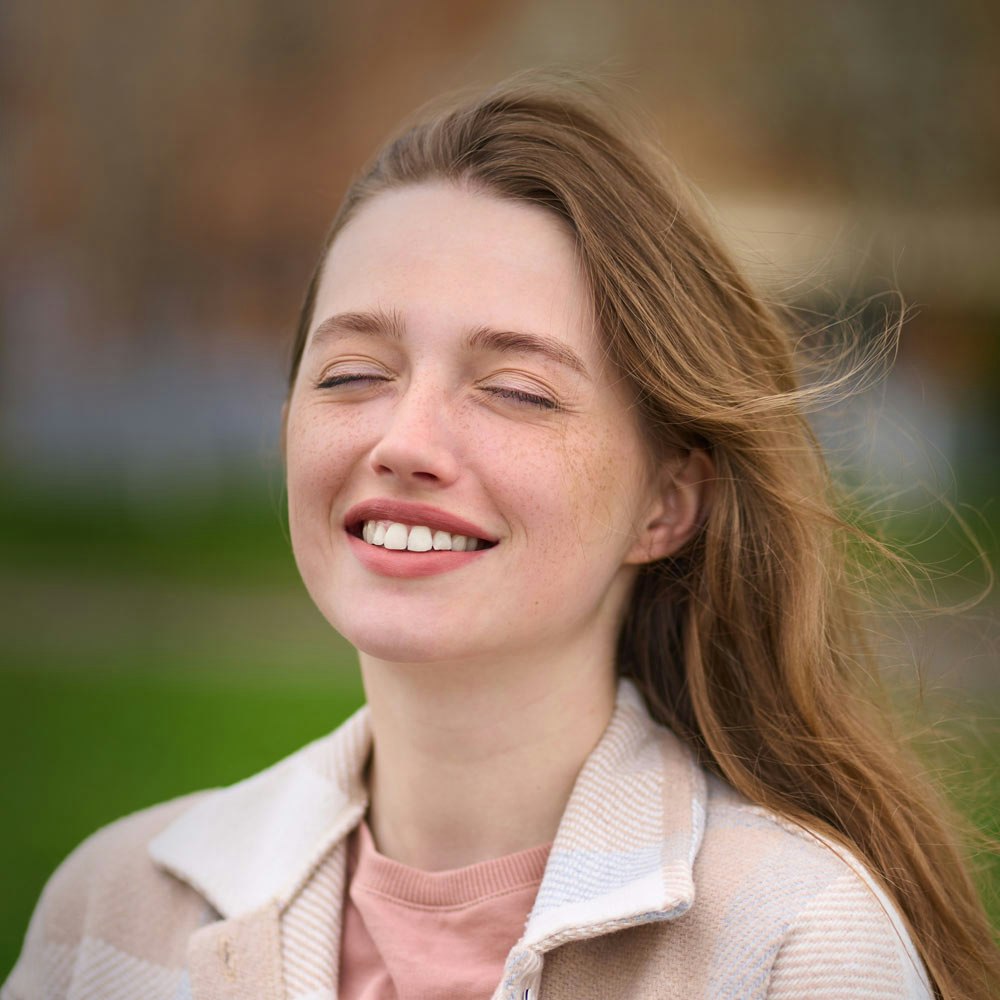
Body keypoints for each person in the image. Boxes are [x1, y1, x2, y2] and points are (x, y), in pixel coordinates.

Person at [4, 74, 998, 1000]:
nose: (405, 441)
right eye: (353, 373)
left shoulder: (795, 941)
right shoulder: (108, 912)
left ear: (665, 505)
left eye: (516, 390)